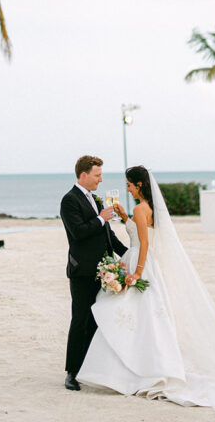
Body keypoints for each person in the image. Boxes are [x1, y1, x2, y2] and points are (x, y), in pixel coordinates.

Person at [77, 165, 215, 417]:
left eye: (129, 184)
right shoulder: (145, 209)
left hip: (141, 264)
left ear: (139, 185)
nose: (127, 188)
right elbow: (143, 232)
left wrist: (138, 272)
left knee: (130, 316)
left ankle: (133, 370)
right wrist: (124, 216)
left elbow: (144, 244)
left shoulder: (141, 209)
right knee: (141, 318)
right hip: (145, 263)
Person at [59, 155, 127, 391]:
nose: (100, 179)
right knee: (80, 320)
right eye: (97, 175)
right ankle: (72, 372)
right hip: (82, 272)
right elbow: (78, 232)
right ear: (83, 175)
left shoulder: (96, 199)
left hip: (104, 271)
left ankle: (92, 367)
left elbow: (108, 235)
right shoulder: (69, 200)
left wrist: (130, 254)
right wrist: (101, 218)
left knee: (99, 320)